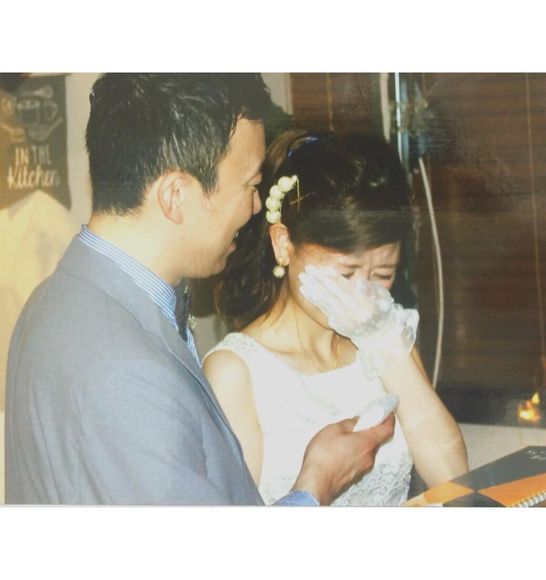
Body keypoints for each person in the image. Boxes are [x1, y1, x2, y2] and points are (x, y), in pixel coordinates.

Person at [4, 74, 395, 505]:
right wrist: (315, 484)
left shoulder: (56, 299)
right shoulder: (124, 367)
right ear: (175, 195)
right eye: (250, 185)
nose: (255, 207)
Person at [204, 130, 468, 506]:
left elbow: (454, 478)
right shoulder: (235, 372)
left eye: (383, 274)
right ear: (284, 245)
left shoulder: (385, 334)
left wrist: (383, 340)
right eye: (346, 273)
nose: (363, 293)